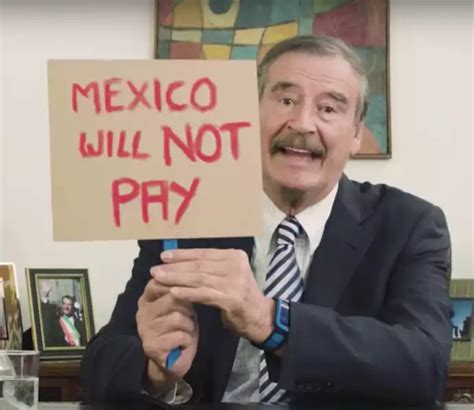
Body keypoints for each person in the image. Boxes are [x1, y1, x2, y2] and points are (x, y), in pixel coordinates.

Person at [81, 35, 452, 405]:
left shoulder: (410, 225)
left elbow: (424, 367)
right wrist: (156, 372)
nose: (302, 124)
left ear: (356, 134)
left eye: (328, 108)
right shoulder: (188, 216)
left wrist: (268, 320)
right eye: (286, 100)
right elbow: (101, 364)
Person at [40, 281, 86, 347]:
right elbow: (46, 313)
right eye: (64, 303)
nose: (66, 307)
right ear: (61, 305)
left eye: (69, 304)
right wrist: (45, 296)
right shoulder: (55, 321)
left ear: (72, 306)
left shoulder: (79, 323)